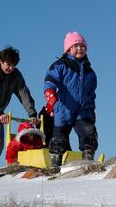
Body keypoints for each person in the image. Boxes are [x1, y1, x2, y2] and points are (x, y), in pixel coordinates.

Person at [43, 31, 98, 168]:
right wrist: (50, 95)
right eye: (76, 46)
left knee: (89, 133)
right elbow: (50, 80)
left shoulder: (89, 71)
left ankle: (88, 158)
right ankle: (55, 162)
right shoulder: (60, 65)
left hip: (83, 109)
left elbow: (91, 93)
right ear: (68, 49)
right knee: (59, 137)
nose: (80, 48)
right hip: (64, 108)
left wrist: (91, 109)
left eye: (82, 46)